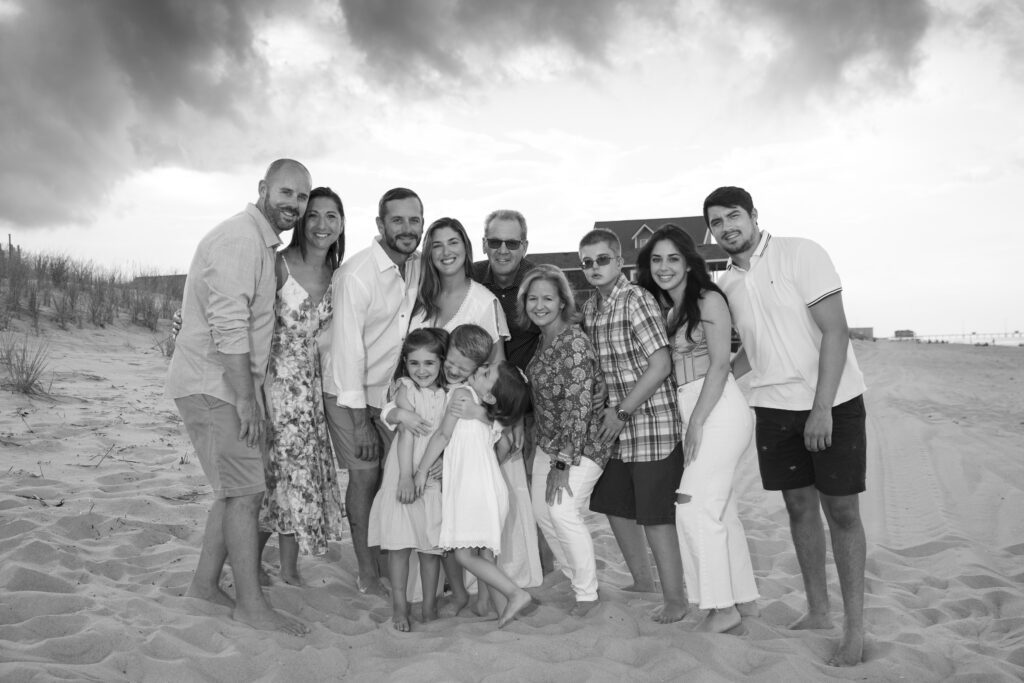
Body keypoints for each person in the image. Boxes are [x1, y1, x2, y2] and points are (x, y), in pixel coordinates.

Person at [704, 186, 868, 666]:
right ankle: (818, 611)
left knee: (841, 512)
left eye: (734, 215)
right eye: (716, 222)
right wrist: (710, 390)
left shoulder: (801, 253)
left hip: (832, 401)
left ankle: (854, 629)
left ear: (754, 215)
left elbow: (835, 330)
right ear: (711, 233)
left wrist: (822, 408)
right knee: (798, 507)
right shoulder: (725, 285)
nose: (727, 226)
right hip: (773, 409)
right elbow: (751, 350)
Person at [165, 159, 311, 635]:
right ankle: (251, 606)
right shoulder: (240, 239)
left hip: (225, 386)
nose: (294, 204)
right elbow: (229, 327)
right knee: (246, 494)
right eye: (286, 193)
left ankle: (205, 587)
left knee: (234, 492)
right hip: (214, 387)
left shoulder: (260, 242)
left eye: (302, 197)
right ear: (263, 188)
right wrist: (247, 402)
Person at [409, 218, 542, 599]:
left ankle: (488, 587)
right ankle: (450, 586)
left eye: (454, 243)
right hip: (430, 412)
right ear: (428, 252)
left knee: (479, 507)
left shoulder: (483, 300)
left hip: (473, 421)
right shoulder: (419, 301)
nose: (446, 252)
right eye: (437, 245)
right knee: (440, 505)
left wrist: (502, 418)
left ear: (467, 249)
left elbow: (499, 370)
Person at [636, 224, 759, 632]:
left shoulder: (708, 298)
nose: (664, 266)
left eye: (673, 258)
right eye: (656, 259)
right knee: (722, 510)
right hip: (698, 407)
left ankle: (720, 608)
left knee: (692, 508)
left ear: (689, 262)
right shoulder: (665, 309)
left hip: (715, 410)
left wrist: (700, 422)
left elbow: (722, 363)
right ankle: (742, 599)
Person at [579, 228, 688, 624]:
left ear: (619, 260)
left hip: (650, 422)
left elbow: (661, 366)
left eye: (602, 259)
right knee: (614, 504)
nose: (594, 267)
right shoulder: (591, 308)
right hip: (614, 427)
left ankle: (675, 600)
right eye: (587, 262)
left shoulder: (635, 299)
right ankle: (644, 582)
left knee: (656, 515)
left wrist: (621, 411)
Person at [323, 187, 424, 597]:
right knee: (365, 477)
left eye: (414, 220)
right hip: (349, 392)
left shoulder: (416, 267)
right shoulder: (356, 275)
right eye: (396, 220)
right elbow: (347, 354)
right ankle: (367, 571)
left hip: (388, 393)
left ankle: (387, 560)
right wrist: (359, 422)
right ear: (380, 225)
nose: (406, 228)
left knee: (393, 475)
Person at [256, 186, 347, 586]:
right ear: (302, 221)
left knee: (299, 478)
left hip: (311, 393)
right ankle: (251, 561)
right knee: (270, 481)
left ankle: (290, 569)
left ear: (342, 223)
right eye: (314, 215)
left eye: (332, 216)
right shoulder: (277, 265)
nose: (322, 224)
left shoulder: (340, 277)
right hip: (274, 388)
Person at [415, 360, 535, 628]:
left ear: (491, 395)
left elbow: (442, 436)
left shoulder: (463, 396)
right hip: (488, 489)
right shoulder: (488, 412)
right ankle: (496, 608)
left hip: (474, 490)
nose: (478, 370)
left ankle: (516, 594)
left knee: (464, 555)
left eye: (485, 373)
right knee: (484, 555)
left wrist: (422, 469)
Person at [519, 265, 609, 616]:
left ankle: (588, 595)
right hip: (548, 441)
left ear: (561, 303)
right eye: (533, 298)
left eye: (547, 298)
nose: (539, 305)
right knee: (541, 511)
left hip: (582, 443)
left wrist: (562, 463)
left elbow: (580, 406)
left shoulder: (572, 342)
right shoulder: (543, 339)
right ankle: (576, 577)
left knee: (562, 509)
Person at [367, 328, 449, 631]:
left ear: (441, 362)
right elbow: (404, 434)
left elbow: (449, 434)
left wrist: (444, 461)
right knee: (399, 545)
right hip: (403, 471)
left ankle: (429, 605)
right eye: (414, 363)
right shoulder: (405, 389)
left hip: (431, 476)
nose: (421, 370)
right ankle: (400, 606)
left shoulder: (447, 394)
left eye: (429, 363)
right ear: (405, 363)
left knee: (430, 547)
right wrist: (405, 477)